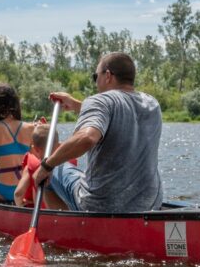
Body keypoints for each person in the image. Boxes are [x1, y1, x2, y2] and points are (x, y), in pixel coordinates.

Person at [32, 51, 164, 213]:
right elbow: (117, 116)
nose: (96, 82)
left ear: (107, 75)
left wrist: (47, 165)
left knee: (55, 171)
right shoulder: (151, 103)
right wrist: (76, 105)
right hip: (149, 206)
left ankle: (65, 227)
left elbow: (87, 137)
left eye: (96, 76)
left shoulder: (99, 101)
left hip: (101, 206)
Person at [13, 121, 71, 210]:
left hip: (42, 215)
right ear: (59, 145)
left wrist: (20, 205)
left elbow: (18, 193)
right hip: (63, 213)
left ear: (35, 149)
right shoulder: (67, 165)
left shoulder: (33, 166)